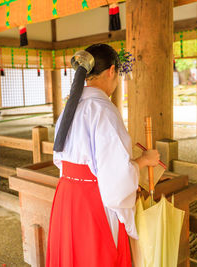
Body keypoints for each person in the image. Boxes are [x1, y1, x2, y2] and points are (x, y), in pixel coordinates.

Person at [46, 43, 160, 267]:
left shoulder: (70, 108)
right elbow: (115, 176)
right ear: (111, 71)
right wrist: (144, 161)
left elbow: (60, 158)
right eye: (117, 75)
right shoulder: (103, 110)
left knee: (71, 253)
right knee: (96, 256)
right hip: (93, 199)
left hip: (67, 195)